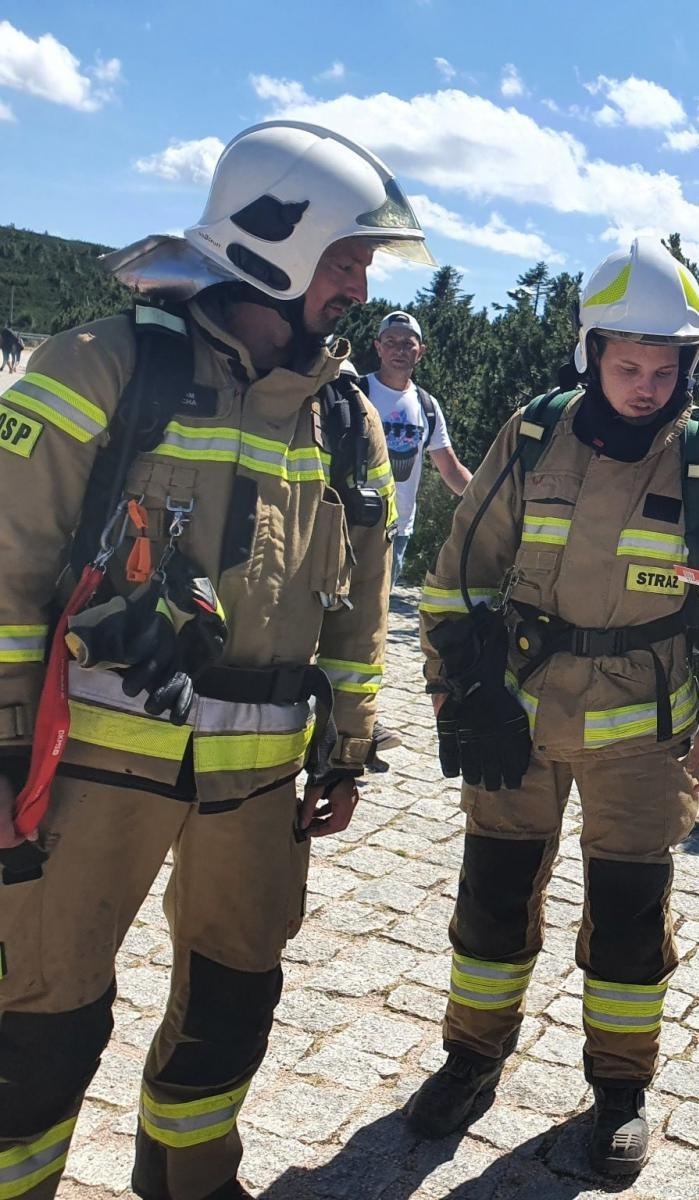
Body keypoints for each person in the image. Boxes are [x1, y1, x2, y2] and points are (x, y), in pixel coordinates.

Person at [0, 120, 429, 1200]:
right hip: (83, 775)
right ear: (275, 246)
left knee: (234, 1002)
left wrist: (347, 742)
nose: (360, 283)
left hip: (259, 786)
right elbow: (5, 564)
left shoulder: (343, 418)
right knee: (37, 1019)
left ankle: (190, 1181)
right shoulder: (101, 365)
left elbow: (363, 595)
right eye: (346, 257)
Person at [404, 238, 699, 1176]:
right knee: (492, 899)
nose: (647, 384)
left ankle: (619, 1087)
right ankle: (470, 1057)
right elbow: (462, 570)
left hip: (644, 738)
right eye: (628, 365)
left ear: (687, 366)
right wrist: (454, 693)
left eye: (665, 368)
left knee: (627, 916)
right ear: (591, 353)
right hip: (517, 718)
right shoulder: (534, 435)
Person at [365, 310, 472, 581]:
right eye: (390, 341)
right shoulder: (356, 392)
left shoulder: (428, 406)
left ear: (420, 352)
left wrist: (486, 499)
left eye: (407, 343)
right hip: (350, 522)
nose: (398, 349)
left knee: (377, 614)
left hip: (396, 529)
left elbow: (449, 468)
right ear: (378, 347)